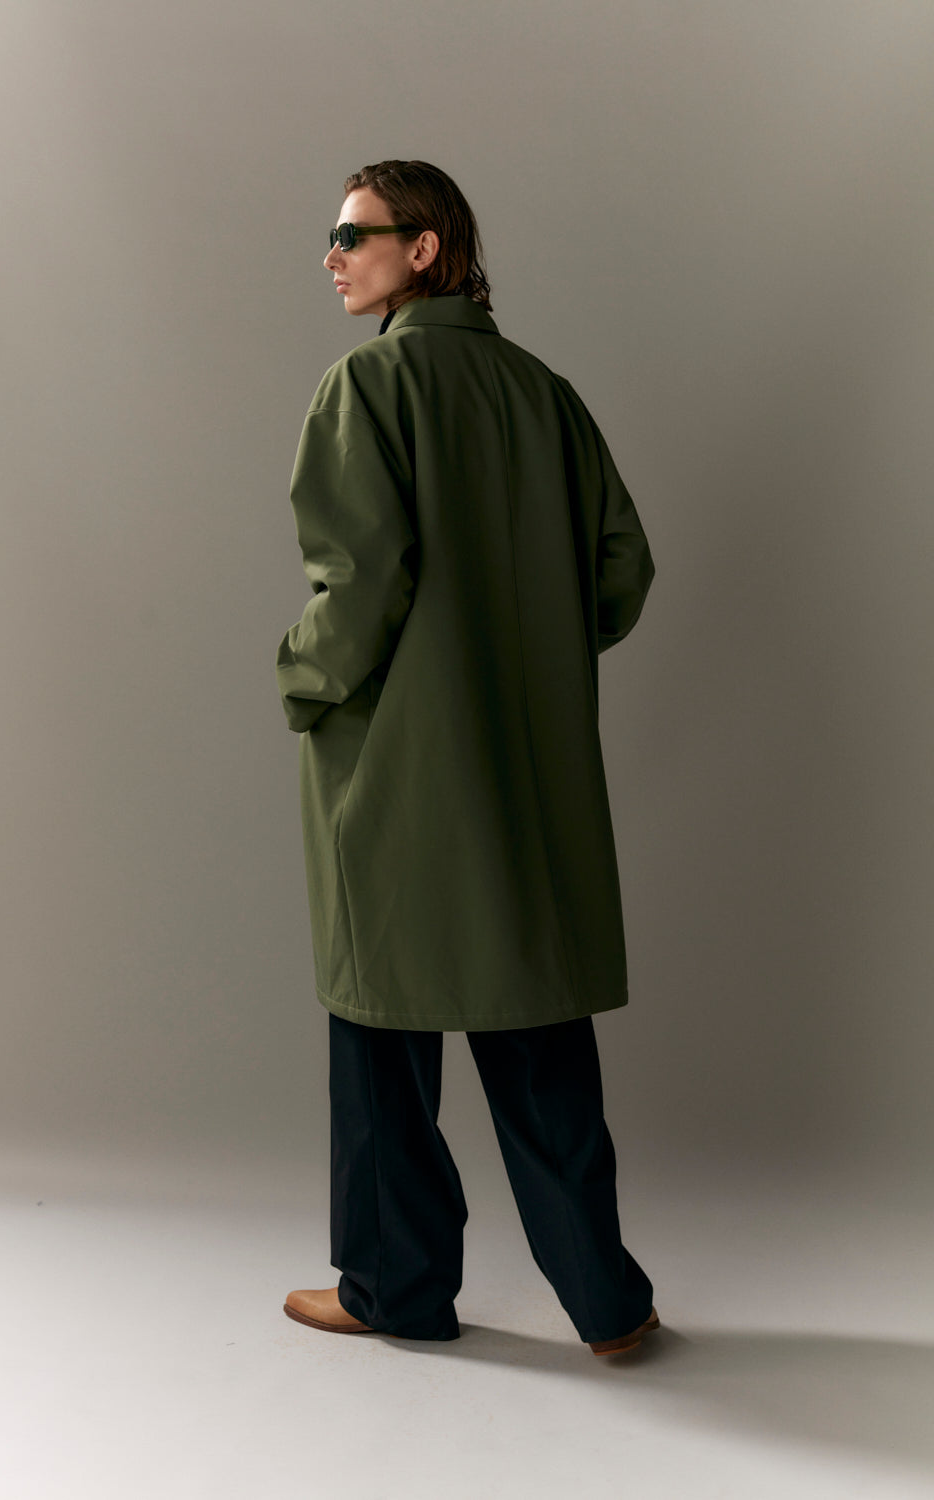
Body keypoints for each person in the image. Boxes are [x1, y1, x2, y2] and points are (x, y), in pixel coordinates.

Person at [276, 160, 660, 1356]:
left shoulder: (368, 385)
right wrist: (526, 657)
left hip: (393, 766)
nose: (332, 256)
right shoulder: (545, 395)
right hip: (523, 770)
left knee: (379, 1036)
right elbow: (622, 570)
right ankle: (609, 1308)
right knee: (533, 1024)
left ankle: (395, 1289)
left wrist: (301, 677)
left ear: (425, 248)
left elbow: (361, 583)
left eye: (352, 234)